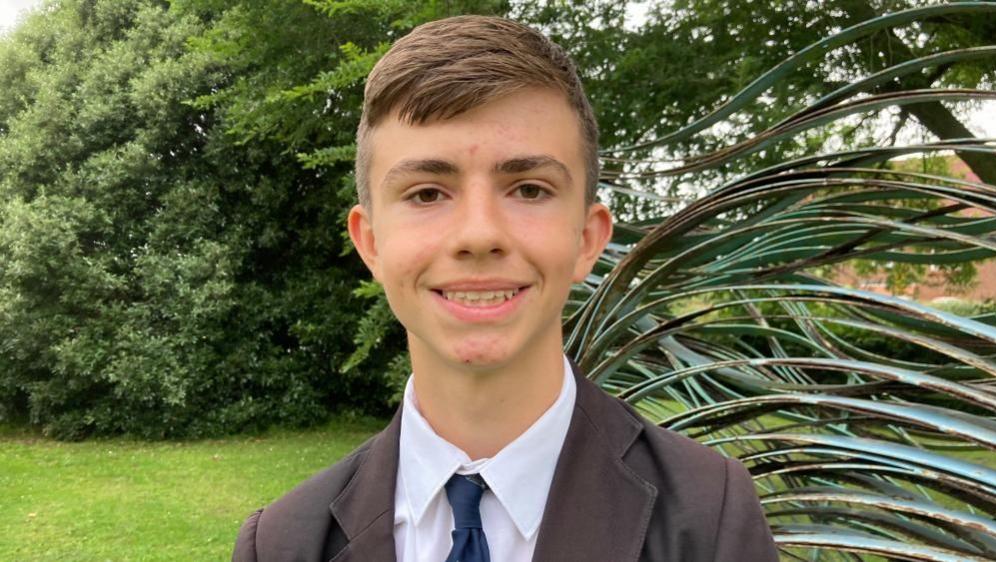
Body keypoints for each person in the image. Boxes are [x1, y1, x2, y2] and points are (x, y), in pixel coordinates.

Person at [232, 14, 779, 562]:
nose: (479, 235)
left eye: (529, 189)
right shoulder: (281, 543)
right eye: (427, 193)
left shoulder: (709, 518)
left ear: (587, 240)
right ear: (371, 243)